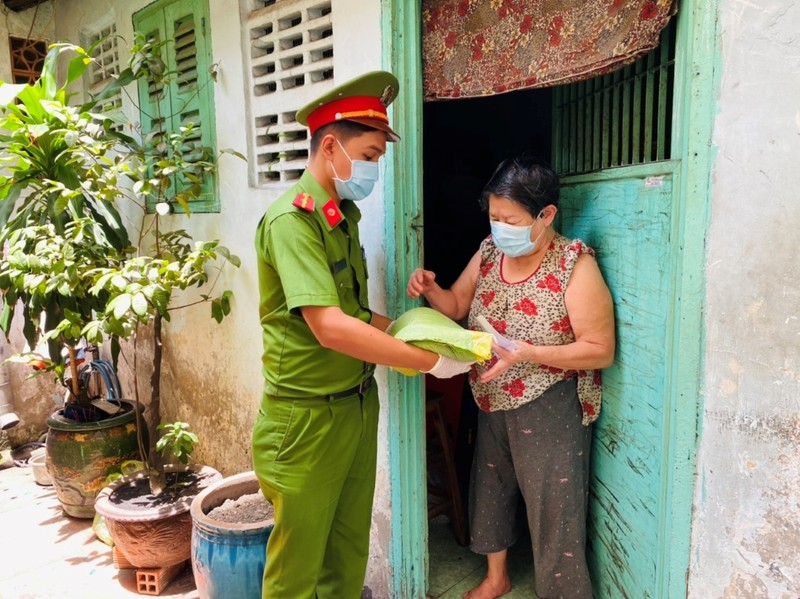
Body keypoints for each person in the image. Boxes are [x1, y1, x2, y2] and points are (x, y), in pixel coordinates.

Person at [252, 71, 472, 599]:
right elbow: (328, 327)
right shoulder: (293, 222)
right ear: (331, 146)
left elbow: (352, 312)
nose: (374, 169)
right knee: (298, 572)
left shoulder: (341, 217)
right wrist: (423, 364)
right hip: (303, 420)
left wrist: (419, 336)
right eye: (370, 156)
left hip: (354, 405)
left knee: (346, 554)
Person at [406, 156, 615, 599]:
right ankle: (496, 576)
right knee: (491, 484)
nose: (500, 227)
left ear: (546, 215)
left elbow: (600, 350)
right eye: (494, 216)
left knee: (554, 506)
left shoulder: (574, 265)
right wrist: (430, 290)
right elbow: (456, 305)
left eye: (511, 219)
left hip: (550, 400)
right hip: (489, 394)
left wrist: (528, 354)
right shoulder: (488, 252)